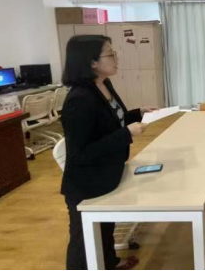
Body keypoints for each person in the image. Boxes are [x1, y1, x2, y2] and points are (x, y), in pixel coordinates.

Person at [61, 35, 155, 271]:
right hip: (86, 185)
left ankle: (110, 263)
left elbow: (113, 121)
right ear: (92, 62)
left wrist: (138, 113)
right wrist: (126, 134)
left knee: (105, 229)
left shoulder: (104, 84)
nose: (116, 59)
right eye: (111, 54)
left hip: (107, 173)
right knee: (84, 242)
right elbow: (79, 154)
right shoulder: (79, 99)